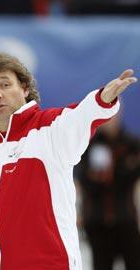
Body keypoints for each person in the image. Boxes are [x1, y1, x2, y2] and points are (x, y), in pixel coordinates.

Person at [0, 52, 137, 270]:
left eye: (5, 84)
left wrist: (104, 99)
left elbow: (82, 116)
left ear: (25, 88)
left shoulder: (50, 129)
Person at [76, 113, 140, 270]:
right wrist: (121, 169)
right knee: (101, 264)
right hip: (96, 221)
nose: (110, 121)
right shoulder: (88, 145)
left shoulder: (131, 143)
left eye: (114, 116)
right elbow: (85, 180)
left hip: (125, 218)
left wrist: (109, 174)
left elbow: (131, 176)